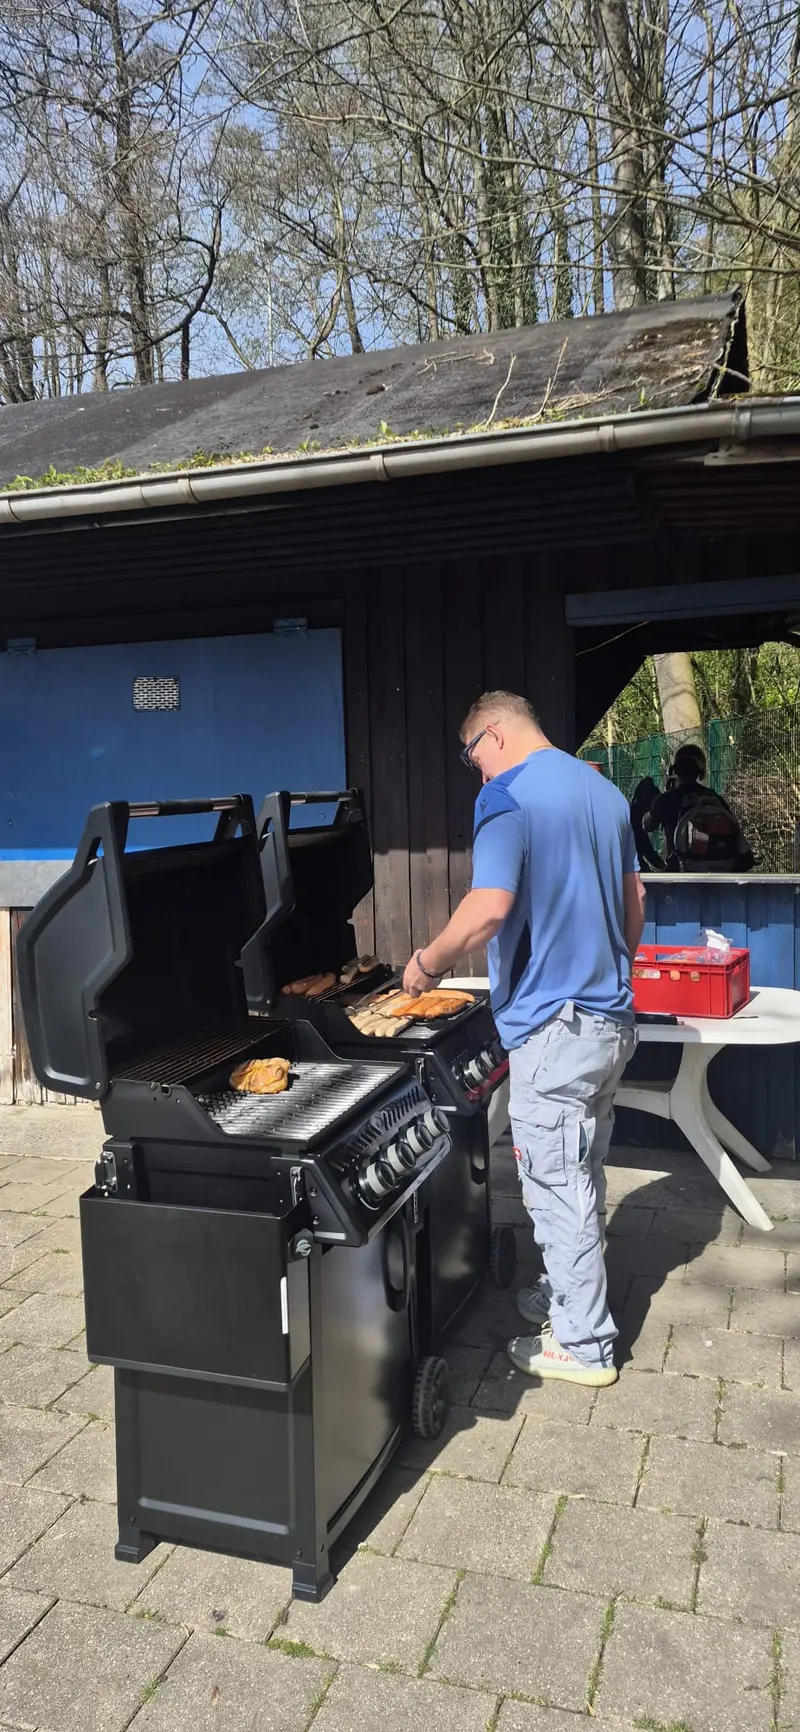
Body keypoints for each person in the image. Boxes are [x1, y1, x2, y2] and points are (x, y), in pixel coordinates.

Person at [402, 691, 646, 1388]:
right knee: (582, 1169)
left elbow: (489, 908)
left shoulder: (506, 795)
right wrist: (611, 971)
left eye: (470, 757)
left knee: (552, 1181)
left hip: (554, 1028)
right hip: (609, 1020)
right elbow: (637, 903)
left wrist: (426, 963)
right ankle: (571, 1294)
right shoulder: (603, 794)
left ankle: (584, 1342)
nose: (475, 773)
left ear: (492, 737)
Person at [643, 745, 753, 872]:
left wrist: (653, 804)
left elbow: (647, 826)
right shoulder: (714, 798)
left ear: (674, 769)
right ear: (700, 771)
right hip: (719, 872)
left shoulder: (666, 799)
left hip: (679, 873)